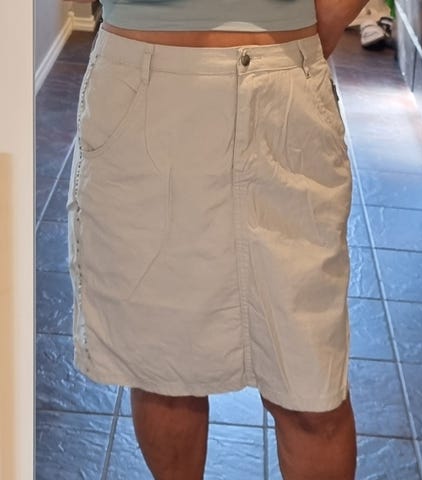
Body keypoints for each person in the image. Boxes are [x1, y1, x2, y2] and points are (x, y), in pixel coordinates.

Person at [66, 1, 369, 478]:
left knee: (311, 389)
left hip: (282, 88)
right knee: (164, 373)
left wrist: (303, 29)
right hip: (142, 83)